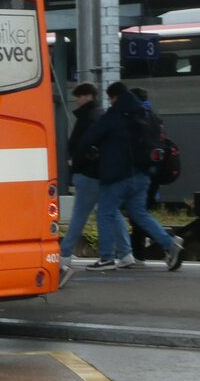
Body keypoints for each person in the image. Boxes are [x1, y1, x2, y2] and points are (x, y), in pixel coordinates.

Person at [78, 81, 185, 272]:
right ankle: (169, 244)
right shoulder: (146, 114)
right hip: (143, 175)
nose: (110, 102)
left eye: (110, 98)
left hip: (117, 175)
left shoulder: (113, 117)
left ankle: (106, 257)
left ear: (114, 97)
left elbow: (87, 139)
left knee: (105, 212)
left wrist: (90, 152)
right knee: (140, 214)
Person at [57, 83, 107, 287]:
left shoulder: (88, 117)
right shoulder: (100, 114)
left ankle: (65, 253)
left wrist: (78, 163)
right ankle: (126, 252)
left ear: (87, 96)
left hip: (87, 173)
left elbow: (80, 145)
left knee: (80, 214)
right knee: (109, 212)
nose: (76, 100)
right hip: (99, 173)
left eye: (78, 97)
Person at [127, 86, 163, 261]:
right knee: (139, 213)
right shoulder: (155, 117)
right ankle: (138, 252)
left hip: (139, 170)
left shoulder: (138, 117)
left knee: (137, 214)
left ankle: (164, 240)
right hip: (153, 169)